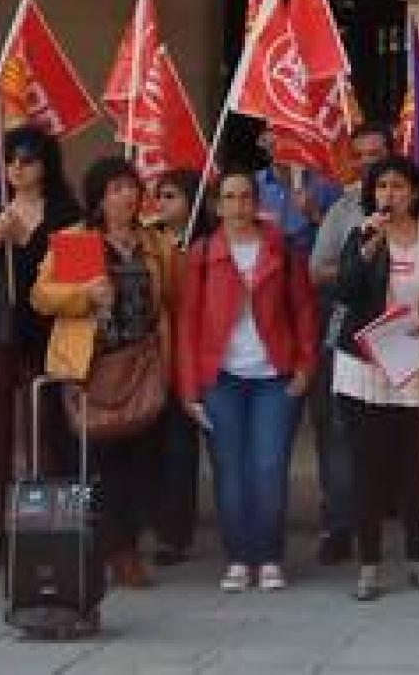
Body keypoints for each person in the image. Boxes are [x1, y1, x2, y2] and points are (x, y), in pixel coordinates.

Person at [31, 156, 178, 588]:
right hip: (93, 366)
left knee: (141, 461)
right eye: (115, 189)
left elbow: (171, 296)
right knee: (104, 460)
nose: (126, 196)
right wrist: (83, 293)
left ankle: (123, 541)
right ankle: (119, 550)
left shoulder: (154, 243)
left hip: (142, 363)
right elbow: (42, 295)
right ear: (98, 199)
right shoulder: (80, 241)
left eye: (131, 187)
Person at [176, 165, 318, 592]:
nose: (238, 205)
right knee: (230, 470)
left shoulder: (282, 250)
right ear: (217, 206)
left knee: (269, 466)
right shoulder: (201, 254)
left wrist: (306, 368)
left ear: (257, 203)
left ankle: (270, 555)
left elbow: (305, 313)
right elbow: (188, 323)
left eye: (245, 197)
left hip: (273, 374)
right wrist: (188, 387)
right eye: (230, 198)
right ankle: (239, 556)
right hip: (222, 376)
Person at [333, 155, 419, 600]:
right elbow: (345, 294)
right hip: (367, 365)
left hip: (418, 362)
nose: (388, 195)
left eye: (397, 186)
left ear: (414, 192)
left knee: (416, 470)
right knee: (368, 470)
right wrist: (366, 250)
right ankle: (369, 563)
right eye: (381, 187)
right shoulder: (362, 237)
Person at [0, 126, 82, 571]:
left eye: (28, 159)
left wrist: (25, 242)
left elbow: (72, 276)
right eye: (12, 159)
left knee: (43, 429)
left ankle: (44, 526)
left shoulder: (66, 211)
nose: (18, 168)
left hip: (44, 332)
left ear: (46, 164)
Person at [308, 122, 394, 564]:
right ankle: (340, 526)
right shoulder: (342, 210)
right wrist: (353, 266)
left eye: (374, 152)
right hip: (345, 334)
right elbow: (314, 270)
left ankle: (403, 527)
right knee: (338, 435)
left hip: (401, 334)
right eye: (358, 155)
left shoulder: (418, 207)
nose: (366, 161)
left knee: (397, 436)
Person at [147, 169, 213, 566]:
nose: (162, 204)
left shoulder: (209, 243)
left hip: (197, 357)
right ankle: (153, 524)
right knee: (156, 448)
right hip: (153, 357)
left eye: (170, 196)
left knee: (180, 448)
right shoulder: (148, 239)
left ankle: (176, 533)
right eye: (159, 196)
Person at [254, 128, 341, 256]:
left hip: (309, 268)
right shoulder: (253, 184)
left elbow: (343, 239)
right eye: (273, 144)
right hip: (268, 268)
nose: (279, 150)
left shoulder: (326, 183)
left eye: (286, 143)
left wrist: (314, 215)